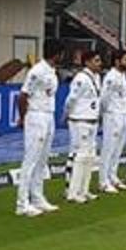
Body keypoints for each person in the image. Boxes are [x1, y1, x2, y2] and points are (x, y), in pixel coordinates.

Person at [16, 41, 64, 216]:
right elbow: (22, 96)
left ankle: (37, 197)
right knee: (31, 159)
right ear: (56, 54)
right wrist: (22, 117)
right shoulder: (37, 71)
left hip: (48, 114)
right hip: (36, 114)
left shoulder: (51, 71)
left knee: (42, 159)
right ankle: (22, 203)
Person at [64, 50, 103, 203]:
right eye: (96, 60)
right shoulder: (81, 78)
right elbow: (71, 99)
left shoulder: (97, 77)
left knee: (90, 155)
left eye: (99, 60)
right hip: (80, 120)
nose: (99, 64)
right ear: (87, 62)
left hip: (92, 119)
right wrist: (66, 114)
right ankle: (73, 192)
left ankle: (84, 189)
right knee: (79, 156)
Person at [99, 49, 126, 193]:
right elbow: (104, 97)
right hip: (112, 114)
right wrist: (106, 112)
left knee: (118, 147)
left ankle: (113, 175)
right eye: (125, 60)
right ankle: (103, 180)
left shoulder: (123, 76)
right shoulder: (111, 77)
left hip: (123, 114)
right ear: (117, 61)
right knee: (109, 148)